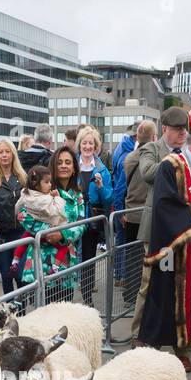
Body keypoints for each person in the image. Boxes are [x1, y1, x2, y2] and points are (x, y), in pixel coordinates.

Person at [137, 111, 191, 369]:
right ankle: (152, 346)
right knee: (165, 296)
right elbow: (163, 206)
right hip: (176, 246)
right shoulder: (170, 165)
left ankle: (184, 347)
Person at [15, 149, 84, 301]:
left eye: (68, 162)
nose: (63, 166)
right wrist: (46, 232)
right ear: (53, 166)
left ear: (74, 168)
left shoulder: (78, 194)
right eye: (59, 163)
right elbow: (22, 215)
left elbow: (81, 223)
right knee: (43, 313)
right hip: (42, 259)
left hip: (66, 260)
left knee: (64, 311)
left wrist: (62, 234)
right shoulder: (42, 189)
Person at [75, 127, 113, 306]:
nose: (88, 146)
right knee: (70, 257)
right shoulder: (72, 165)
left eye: (91, 143)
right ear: (79, 145)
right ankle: (65, 296)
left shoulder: (102, 170)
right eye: (85, 143)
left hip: (91, 221)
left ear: (96, 146)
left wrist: (100, 186)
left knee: (88, 259)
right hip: (73, 218)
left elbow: (109, 198)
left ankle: (87, 298)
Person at [122, 121, 157, 311]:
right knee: (146, 256)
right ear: (153, 138)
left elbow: (123, 185)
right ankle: (141, 295)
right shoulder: (152, 159)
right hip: (146, 212)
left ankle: (130, 293)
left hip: (129, 211)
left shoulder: (129, 158)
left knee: (131, 256)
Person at [0, 139, 27, 293]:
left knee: (21, 275)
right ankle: (9, 311)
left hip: (21, 233)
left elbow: (32, 202)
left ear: (13, 154)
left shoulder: (22, 177)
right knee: (6, 276)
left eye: (7, 152)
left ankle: (23, 310)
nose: (4, 155)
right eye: (0, 152)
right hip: (1, 235)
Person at [111, 122, 139, 285]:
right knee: (123, 243)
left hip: (120, 205)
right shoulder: (127, 156)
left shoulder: (121, 148)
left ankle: (119, 276)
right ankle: (122, 277)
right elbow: (121, 187)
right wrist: (121, 211)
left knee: (120, 242)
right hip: (123, 206)